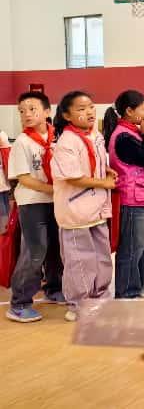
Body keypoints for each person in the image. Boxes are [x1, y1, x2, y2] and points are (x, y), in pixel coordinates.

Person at [50, 91, 116, 323]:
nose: (88, 112)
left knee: (101, 257)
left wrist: (106, 170)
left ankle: (101, 298)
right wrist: (104, 183)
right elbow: (73, 177)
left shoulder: (94, 135)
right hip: (75, 212)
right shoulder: (66, 142)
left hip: (96, 208)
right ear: (67, 115)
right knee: (80, 261)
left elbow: (96, 162)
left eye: (91, 107)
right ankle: (79, 305)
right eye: (81, 109)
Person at [6, 92, 63, 323]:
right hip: (32, 203)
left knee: (56, 248)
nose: (26, 114)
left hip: (55, 202)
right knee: (35, 251)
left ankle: (54, 288)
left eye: (32, 109)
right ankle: (19, 302)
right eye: (21, 111)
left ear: (47, 111)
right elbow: (24, 178)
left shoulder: (57, 137)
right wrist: (55, 190)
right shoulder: (22, 142)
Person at [103, 90, 144, 300]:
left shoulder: (130, 133)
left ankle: (138, 284)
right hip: (130, 200)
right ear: (129, 111)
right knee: (132, 248)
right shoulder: (123, 136)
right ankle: (126, 291)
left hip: (142, 197)